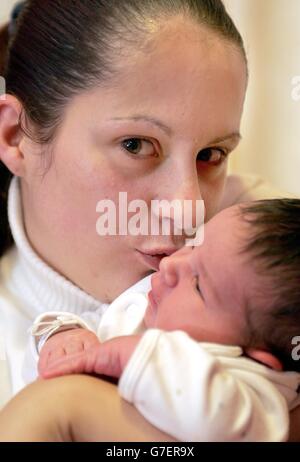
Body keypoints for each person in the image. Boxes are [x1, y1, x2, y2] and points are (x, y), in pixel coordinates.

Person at [0, 0, 299, 440]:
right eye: (136, 145)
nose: (188, 207)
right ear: (15, 136)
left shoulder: (269, 246)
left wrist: (66, 409)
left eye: (211, 155)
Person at [1, 199, 300, 442]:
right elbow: (85, 333)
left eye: (198, 285)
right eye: (194, 245)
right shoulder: (149, 303)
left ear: (259, 358)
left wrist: (125, 355)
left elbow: (222, 421)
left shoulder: (251, 391)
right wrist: (63, 333)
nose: (171, 263)